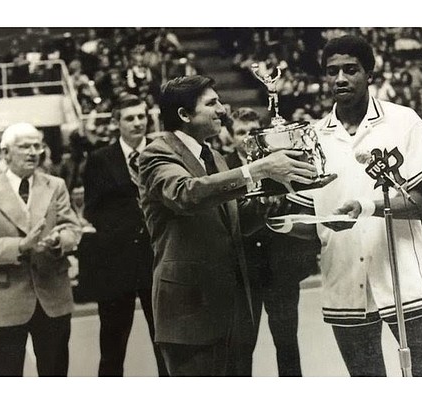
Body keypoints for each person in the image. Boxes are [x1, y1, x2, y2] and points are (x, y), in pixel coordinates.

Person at [273, 35, 422, 376]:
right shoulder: (312, 136)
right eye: (332, 71)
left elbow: (420, 204)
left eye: (350, 70)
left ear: (369, 73)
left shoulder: (402, 121)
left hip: (406, 278)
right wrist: (281, 221)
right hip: (344, 279)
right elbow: (309, 213)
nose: (340, 78)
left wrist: (365, 207)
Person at [139, 75, 324, 376]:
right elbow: (186, 194)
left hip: (234, 313)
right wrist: (256, 169)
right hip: (191, 313)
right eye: (211, 103)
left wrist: (272, 192)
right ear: (184, 115)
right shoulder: (156, 153)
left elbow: (238, 222)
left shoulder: (213, 156)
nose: (222, 110)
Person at [0, 122, 82, 376]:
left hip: (52, 296)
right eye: (24, 147)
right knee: (7, 378)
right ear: (5, 153)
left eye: (37, 146)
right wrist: (21, 245)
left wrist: (59, 241)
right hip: (5, 300)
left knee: (55, 376)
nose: (33, 152)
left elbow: (72, 229)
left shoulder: (56, 186)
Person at [224, 107, 319, 376]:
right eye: (240, 132)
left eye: (252, 133)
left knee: (287, 344)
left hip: (280, 269)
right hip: (242, 273)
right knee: (241, 348)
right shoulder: (223, 167)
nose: (246, 138)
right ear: (229, 136)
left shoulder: (281, 163)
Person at [83, 93, 167, 377]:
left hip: (157, 259)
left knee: (166, 344)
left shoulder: (161, 151)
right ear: (116, 122)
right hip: (116, 264)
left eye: (141, 116)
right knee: (113, 347)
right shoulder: (99, 160)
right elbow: (92, 210)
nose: (137, 123)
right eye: (129, 118)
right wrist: (128, 232)